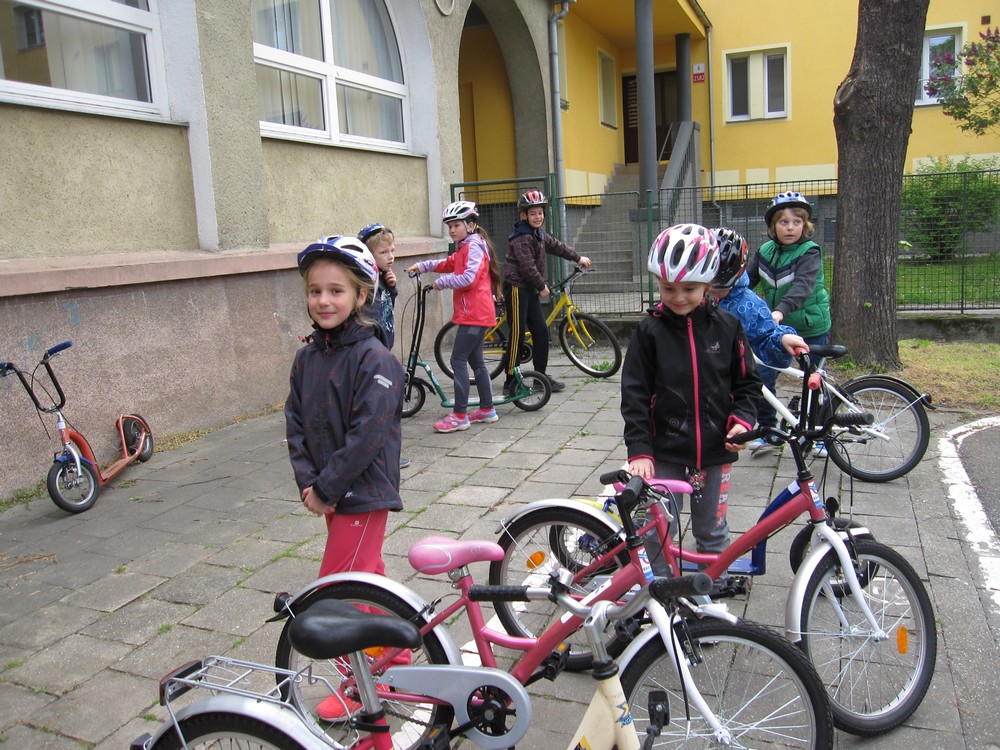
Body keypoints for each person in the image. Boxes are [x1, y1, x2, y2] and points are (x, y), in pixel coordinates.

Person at [285, 236, 406, 720]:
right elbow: (296, 424)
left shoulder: (376, 359)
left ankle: (358, 686)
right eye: (315, 291)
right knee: (367, 580)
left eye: (336, 290)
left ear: (361, 295)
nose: (323, 300)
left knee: (336, 592)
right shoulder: (307, 358)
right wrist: (309, 484)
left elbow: (366, 436)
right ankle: (394, 658)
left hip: (362, 493)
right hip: (330, 493)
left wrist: (327, 488)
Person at [620, 223, 760, 569]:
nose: (679, 297)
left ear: (708, 285)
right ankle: (657, 590)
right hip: (663, 451)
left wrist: (743, 422)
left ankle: (709, 591)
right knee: (658, 531)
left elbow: (747, 384)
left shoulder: (727, 326)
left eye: (690, 288)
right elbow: (635, 394)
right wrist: (639, 448)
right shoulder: (649, 331)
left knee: (712, 530)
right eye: (669, 288)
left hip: (715, 451)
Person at [707, 227, 808, 456]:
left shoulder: (748, 305)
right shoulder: (696, 298)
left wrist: (781, 338)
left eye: (719, 287)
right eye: (706, 285)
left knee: (761, 385)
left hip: (732, 382)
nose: (711, 292)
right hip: (711, 384)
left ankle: (766, 427)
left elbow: (766, 335)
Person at [746, 191, 832, 455]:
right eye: (784, 222)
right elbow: (746, 282)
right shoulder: (765, 252)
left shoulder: (810, 252)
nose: (790, 228)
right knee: (762, 377)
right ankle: (768, 431)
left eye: (797, 222)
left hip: (810, 327)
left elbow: (802, 286)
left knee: (814, 382)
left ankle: (820, 435)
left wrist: (779, 311)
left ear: (805, 225)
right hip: (777, 330)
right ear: (773, 226)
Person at [405, 201, 501, 433]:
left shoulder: (473, 246)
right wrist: (423, 266)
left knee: (458, 360)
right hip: (477, 313)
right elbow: (450, 263)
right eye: (449, 226)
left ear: (470, 225)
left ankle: (459, 416)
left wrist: (442, 283)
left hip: (475, 314)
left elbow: (468, 278)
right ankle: (487, 409)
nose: (452, 230)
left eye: (456, 225)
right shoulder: (465, 246)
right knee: (476, 362)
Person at [501, 189, 591, 396]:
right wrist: (541, 286)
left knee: (541, 331)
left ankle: (539, 377)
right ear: (523, 215)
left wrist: (577, 257)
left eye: (540, 213)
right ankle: (510, 380)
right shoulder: (521, 237)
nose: (537, 217)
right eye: (532, 213)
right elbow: (527, 267)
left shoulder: (539, 234)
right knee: (517, 334)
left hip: (529, 288)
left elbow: (557, 246)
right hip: (516, 288)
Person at [357, 223, 410, 469]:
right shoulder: (366, 284)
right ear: (368, 255)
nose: (390, 257)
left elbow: (387, 306)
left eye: (392, 251)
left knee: (385, 404)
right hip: (372, 356)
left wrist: (392, 287)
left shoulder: (382, 278)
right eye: (383, 252)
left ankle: (383, 454)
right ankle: (380, 456)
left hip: (383, 351)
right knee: (379, 407)